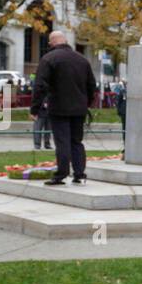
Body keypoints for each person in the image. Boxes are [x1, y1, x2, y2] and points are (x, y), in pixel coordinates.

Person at [30, 29, 97, 185]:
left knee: (62, 142)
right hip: (79, 109)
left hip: (59, 107)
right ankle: (79, 173)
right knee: (76, 141)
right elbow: (91, 85)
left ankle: (61, 174)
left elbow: (40, 86)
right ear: (65, 41)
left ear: (52, 42)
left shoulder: (48, 59)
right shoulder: (82, 60)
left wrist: (35, 109)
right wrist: (86, 103)